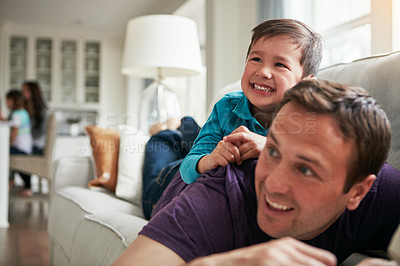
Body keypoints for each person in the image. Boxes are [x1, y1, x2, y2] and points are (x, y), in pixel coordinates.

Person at [112, 79, 400, 266]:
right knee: (166, 143)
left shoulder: (383, 192)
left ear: (358, 191)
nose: (272, 184)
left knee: (191, 135)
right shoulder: (223, 195)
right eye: (273, 151)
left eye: (305, 169)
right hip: (170, 183)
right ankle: (167, 131)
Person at [141, 18, 323, 219]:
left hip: (211, 163)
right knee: (162, 142)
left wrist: (270, 147)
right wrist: (210, 159)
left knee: (186, 133)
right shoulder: (228, 106)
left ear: (305, 85)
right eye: (256, 59)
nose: (263, 71)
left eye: (280, 64)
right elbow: (187, 169)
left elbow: (314, 169)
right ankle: (171, 130)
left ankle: (182, 125)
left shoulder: (308, 121)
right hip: (170, 182)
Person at [6, 89, 33, 196]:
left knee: (5, 155)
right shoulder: (23, 112)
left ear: (12, 100)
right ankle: (11, 181)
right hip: (26, 147)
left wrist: (9, 144)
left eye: (7, 100)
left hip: (21, 148)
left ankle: (9, 181)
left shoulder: (17, 114)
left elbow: (15, 132)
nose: (6, 103)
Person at [21, 81, 48, 155]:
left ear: (33, 91)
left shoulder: (42, 110)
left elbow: (41, 131)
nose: (23, 92)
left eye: (26, 90)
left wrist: (28, 139)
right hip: (23, 143)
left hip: (36, 146)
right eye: (23, 90)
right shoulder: (22, 109)